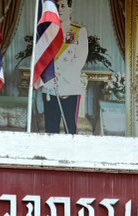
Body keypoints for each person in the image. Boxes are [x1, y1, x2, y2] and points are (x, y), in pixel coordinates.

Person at [39, 0, 88, 135]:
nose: (60, 9)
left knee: (69, 128)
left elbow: (79, 59)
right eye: (57, 6)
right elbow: (43, 57)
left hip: (69, 87)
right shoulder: (48, 31)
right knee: (51, 128)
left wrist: (61, 79)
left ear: (70, 9)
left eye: (63, 6)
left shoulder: (78, 31)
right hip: (50, 86)